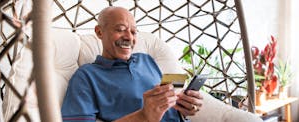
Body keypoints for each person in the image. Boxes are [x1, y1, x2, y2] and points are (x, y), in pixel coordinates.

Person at [61, 6, 203, 122]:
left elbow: (167, 106)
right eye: (120, 29)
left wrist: (184, 107)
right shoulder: (86, 75)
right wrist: (143, 116)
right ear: (99, 32)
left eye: (134, 32)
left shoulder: (146, 59)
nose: (129, 37)